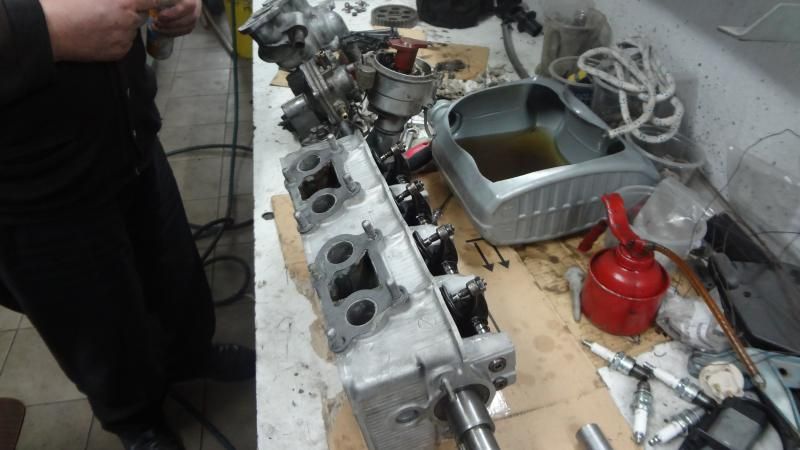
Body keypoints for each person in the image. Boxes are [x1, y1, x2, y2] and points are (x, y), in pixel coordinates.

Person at [0, 1, 255, 448]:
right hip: (33, 187)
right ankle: (137, 421)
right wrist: (43, 32)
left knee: (173, 273)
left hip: (131, 134)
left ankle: (188, 356)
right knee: (97, 326)